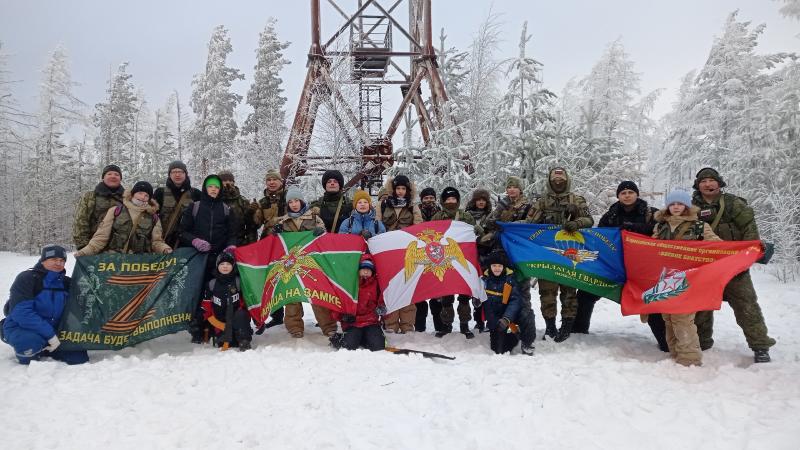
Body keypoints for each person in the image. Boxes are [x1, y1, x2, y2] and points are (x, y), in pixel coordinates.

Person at [691, 167, 776, 363]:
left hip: (733, 265)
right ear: (698, 185)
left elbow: (749, 228)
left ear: (719, 183)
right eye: (703, 181)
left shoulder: (733, 203)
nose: (708, 184)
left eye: (712, 180)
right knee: (701, 305)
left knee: (746, 304)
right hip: (704, 265)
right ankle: (702, 341)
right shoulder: (691, 207)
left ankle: (760, 345)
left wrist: (746, 255)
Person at [572, 181, 665, 351]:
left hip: (641, 269)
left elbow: (662, 231)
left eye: (630, 192)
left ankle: (666, 341)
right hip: (614, 266)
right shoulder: (610, 215)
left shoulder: (651, 213)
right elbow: (600, 238)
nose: (627, 195)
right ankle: (578, 331)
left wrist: (635, 229)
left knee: (651, 301)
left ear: (637, 194)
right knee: (586, 293)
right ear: (618, 196)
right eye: (623, 193)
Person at [650, 189, 721, 366]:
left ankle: (689, 358)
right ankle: (675, 353)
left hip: (690, 279)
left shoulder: (699, 226)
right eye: (672, 204)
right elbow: (650, 250)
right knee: (668, 318)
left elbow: (718, 246)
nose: (676, 207)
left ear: (687, 206)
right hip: (665, 279)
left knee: (682, 317)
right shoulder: (660, 226)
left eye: (680, 204)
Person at [526, 167, 593, 342]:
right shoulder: (542, 202)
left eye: (561, 177)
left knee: (569, 292)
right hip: (547, 254)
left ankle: (567, 326)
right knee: (547, 293)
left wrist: (576, 221)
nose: (558, 180)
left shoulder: (576, 200)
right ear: (549, 180)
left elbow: (589, 221)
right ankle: (550, 327)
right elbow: (529, 223)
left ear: (566, 179)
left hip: (569, 254)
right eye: (554, 178)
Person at [1, 245, 89, 365]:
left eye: (62, 260)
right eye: (53, 259)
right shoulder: (27, 278)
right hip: (22, 327)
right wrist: (50, 335)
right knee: (30, 345)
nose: (58, 263)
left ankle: (45, 347)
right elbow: (22, 313)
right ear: (43, 260)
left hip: (54, 329)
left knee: (78, 358)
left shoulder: (66, 283)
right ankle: (19, 338)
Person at [179, 175, 238, 343]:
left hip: (219, 261)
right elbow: (182, 231)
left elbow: (232, 233)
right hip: (198, 259)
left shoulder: (226, 209)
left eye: (216, 187)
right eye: (210, 186)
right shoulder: (194, 207)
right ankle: (197, 329)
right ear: (205, 188)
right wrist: (194, 241)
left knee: (217, 293)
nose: (213, 189)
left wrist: (230, 247)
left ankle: (216, 327)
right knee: (197, 294)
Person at [483, 175, 536, 354]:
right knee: (499, 296)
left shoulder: (528, 205)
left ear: (520, 189)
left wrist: (506, 226)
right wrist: (502, 209)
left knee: (523, 297)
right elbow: (488, 222)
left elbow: (530, 224)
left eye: (515, 187)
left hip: (520, 258)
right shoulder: (503, 204)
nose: (512, 190)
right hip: (502, 258)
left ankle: (527, 338)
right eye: (509, 187)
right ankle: (502, 327)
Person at [273, 187, 335, 338]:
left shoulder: (314, 218)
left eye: (296, 201)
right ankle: (294, 326)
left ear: (302, 201)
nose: (294, 204)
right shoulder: (283, 221)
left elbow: (325, 239)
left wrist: (321, 233)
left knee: (318, 294)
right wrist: (275, 233)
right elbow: (277, 246)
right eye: (291, 202)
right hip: (291, 264)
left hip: (311, 262)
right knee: (291, 295)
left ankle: (328, 326)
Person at [431, 186, 482, 339]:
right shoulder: (437, 216)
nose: (450, 202)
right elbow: (431, 235)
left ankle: (464, 325)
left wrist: (477, 231)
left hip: (463, 260)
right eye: (447, 199)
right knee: (446, 296)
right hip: (444, 261)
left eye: (453, 199)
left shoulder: (466, 216)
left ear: (458, 200)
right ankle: (446, 325)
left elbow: (472, 235)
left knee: (464, 295)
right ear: (443, 201)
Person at [376, 175, 422, 333]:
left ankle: (407, 326)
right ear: (393, 189)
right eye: (398, 188)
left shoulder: (412, 206)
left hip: (408, 252)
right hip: (388, 253)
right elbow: (378, 225)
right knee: (390, 289)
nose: (400, 191)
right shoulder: (383, 205)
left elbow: (419, 227)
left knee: (408, 289)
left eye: (403, 189)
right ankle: (391, 324)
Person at [74, 181, 172, 256]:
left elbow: (156, 242)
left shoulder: (154, 217)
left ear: (149, 199)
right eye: (140, 193)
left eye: (146, 195)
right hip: (115, 260)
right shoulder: (116, 211)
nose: (143, 197)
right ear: (133, 194)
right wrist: (84, 252)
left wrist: (165, 249)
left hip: (140, 262)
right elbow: (100, 238)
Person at [252, 169, 287, 329]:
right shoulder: (263, 201)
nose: (272, 182)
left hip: (286, 242)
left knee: (289, 276)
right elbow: (256, 223)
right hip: (268, 242)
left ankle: (295, 317)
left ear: (281, 181)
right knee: (271, 278)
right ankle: (277, 314)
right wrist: (253, 212)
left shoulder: (289, 197)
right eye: (269, 180)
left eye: (275, 179)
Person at [329, 254, 387, 351]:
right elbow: (338, 303)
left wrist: (382, 309)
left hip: (371, 321)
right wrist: (342, 316)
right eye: (363, 268)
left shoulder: (377, 284)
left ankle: (365, 338)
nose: (366, 271)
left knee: (379, 346)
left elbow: (383, 302)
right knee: (348, 346)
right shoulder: (349, 284)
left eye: (369, 269)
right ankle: (341, 338)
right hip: (353, 322)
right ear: (358, 270)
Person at [199, 252, 252, 351]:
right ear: (217, 266)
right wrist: (215, 323)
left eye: (228, 264)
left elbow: (248, 302)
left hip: (237, 322)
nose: (225, 267)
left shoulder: (239, 282)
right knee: (223, 343)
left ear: (233, 266)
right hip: (220, 324)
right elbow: (206, 307)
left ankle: (244, 341)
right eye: (222, 264)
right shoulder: (211, 284)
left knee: (241, 314)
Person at [479, 251, 530, 355]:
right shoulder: (485, 281)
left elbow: (515, 301)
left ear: (504, 267)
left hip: (509, 320)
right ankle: (498, 333)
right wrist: (493, 322)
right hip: (495, 320)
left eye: (499, 266)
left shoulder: (510, 280)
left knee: (509, 344)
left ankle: (518, 333)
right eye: (494, 265)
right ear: (489, 267)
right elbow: (486, 305)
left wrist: (506, 318)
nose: (497, 268)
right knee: (497, 349)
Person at [73, 164, 125, 251]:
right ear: (103, 177)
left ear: (120, 179)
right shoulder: (90, 197)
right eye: (109, 174)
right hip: (95, 248)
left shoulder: (127, 198)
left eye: (116, 174)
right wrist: (83, 246)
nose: (113, 176)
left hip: (121, 250)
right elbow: (80, 222)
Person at [153, 160, 201, 248]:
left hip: (189, 244)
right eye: (174, 172)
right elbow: (153, 218)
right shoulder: (160, 193)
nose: (177, 175)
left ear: (185, 174)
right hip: (165, 243)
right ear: (169, 174)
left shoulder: (196, 194)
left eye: (180, 172)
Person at [415, 186, 443, 333]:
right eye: (426, 198)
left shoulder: (441, 212)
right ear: (421, 199)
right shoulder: (415, 211)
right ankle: (419, 328)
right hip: (420, 257)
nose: (429, 200)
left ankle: (440, 326)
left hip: (436, 256)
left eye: (431, 198)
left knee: (437, 295)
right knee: (419, 295)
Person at [466, 188, 493, 332]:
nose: (481, 202)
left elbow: (494, 234)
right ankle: (478, 321)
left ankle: (488, 319)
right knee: (475, 290)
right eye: (478, 199)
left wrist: (483, 236)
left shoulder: (491, 216)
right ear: (474, 201)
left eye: (483, 199)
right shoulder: (467, 215)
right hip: (471, 257)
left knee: (487, 290)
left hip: (487, 256)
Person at [219, 170, 258, 245]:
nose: (228, 183)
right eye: (224, 180)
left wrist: (251, 244)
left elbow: (251, 227)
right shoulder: (214, 200)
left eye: (230, 180)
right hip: (218, 244)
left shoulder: (242, 201)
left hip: (239, 243)